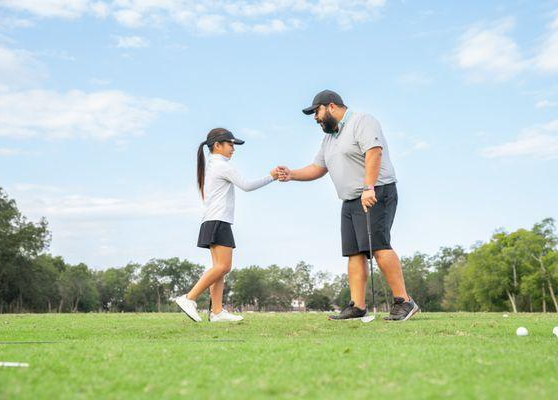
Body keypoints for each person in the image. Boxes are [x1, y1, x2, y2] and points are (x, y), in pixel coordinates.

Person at [278, 90, 418, 321]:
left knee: (380, 246)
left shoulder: (362, 121)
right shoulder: (329, 138)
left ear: (331, 106)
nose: (315, 117)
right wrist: (290, 174)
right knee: (353, 253)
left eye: (316, 112)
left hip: (376, 191)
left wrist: (369, 187)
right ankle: (357, 306)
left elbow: (374, 153)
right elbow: (317, 168)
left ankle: (405, 301)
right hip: (350, 199)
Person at [175, 128, 279, 322]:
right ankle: (189, 298)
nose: (233, 149)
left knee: (218, 269)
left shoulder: (212, 165)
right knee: (223, 266)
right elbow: (247, 185)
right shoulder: (221, 166)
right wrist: (271, 176)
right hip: (218, 220)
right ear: (217, 145)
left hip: (212, 220)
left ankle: (216, 312)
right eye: (230, 144)